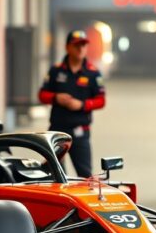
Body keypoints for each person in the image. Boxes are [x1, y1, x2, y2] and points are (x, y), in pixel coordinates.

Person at [38, 30, 106, 177]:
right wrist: (56, 98)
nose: (80, 49)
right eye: (76, 45)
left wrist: (82, 105)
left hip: (80, 132)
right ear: (67, 47)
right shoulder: (56, 71)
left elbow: (101, 100)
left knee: (85, 176)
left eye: (83, 45)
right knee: (54, 175)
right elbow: (42, 95)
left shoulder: (93, 73)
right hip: (56, 132)